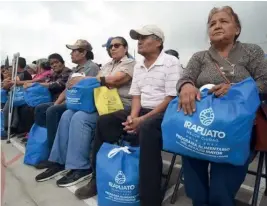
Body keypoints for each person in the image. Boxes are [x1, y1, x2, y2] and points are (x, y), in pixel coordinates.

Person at [74, 25, 182, 205]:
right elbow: (136, 95)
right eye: (138, 38)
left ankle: (150, 197)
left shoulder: (171, 62)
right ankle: (99, 177)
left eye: (144, 37)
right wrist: (133, 116)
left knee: (147, 128)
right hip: (141, 110)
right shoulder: (139, 65)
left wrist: (142, 119)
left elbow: (171, 98)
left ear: (158, 42)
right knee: (105, 121)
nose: (139, 41)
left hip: (165, 112)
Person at [176, 6, 267, 206]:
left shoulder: (252, 51)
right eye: (212, 23)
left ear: (237, 29)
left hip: (237, 127)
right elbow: (185, 77)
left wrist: (235, 88)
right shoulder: (200, 56)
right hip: (200, 126)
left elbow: (264, 82)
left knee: (220, 193)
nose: (217, 26)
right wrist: (186, 86)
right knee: (195, 189)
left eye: (224, 21)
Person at [35, 37, 136, 188]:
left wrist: (84, 80)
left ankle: (81, 167)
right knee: (67, 114)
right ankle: (59, 161)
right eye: (110, 46)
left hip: (118, 106)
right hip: (101, 103)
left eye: (117, 45)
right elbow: (96, 82)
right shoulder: (107, 65)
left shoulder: (130, 63)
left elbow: (116, 80)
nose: (112, 48)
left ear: (126, 48)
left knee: (80, 117)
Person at [34, 40, 100, 170]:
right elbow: (67, 89)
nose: (71, 54)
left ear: (83, 53)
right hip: (73, 102)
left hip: (83, 104)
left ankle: (56, 156)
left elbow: (87, 89)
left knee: (53, 112)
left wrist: (58, 105)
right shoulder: (75, 69)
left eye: (74, 51)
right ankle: (56, 156)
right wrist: (57, 103)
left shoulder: (91, 67)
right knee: (51, 109)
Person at [2, 57, 32, 135]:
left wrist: (7, 82)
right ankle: (12, 129)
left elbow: (9, 84)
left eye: (14, 64)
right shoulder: (21, 74)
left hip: (20, 96)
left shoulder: (23, 74)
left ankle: (7, 129)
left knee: (6, 110)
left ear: (17, 65)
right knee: (14, 113)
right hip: (17, 96)